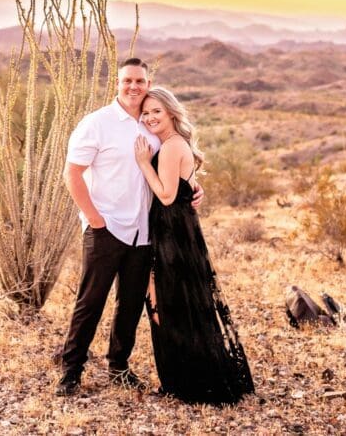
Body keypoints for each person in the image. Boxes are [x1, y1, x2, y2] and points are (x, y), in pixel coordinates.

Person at [57, 58, 203, 397]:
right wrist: (95, 220)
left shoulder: (151, 124)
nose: (134, 87)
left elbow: (173, 165)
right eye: (127, 81)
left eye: (140, 81)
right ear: (117, 83)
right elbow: (72, 174)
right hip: (106, 228)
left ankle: (118, 367)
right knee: (90, 302)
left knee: (131, 303)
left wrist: (193, 189)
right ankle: (71, 371)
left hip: (144, 230)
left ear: (149, 83)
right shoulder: (97, 123)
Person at [134, 86, 255, 405]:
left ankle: (189, 380)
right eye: (145, 113)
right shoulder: (172, 144)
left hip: (173, 233)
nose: (149, 118)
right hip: (174, 229)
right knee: (172, 301)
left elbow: (167, 195)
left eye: (156, 111)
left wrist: (144, 162)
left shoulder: (172, 146)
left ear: (172, 112)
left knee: (168, 301)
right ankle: (181, 377)